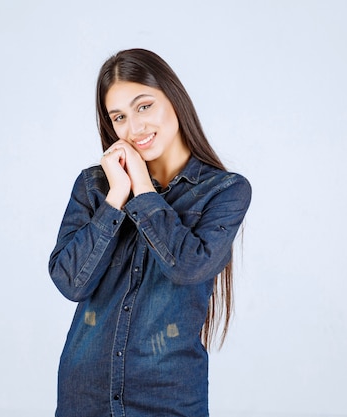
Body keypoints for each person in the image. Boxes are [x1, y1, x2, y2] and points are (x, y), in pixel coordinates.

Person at [49, 48, 251, 417]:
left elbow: (187, 268)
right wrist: (115, 198)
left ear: (174, 98)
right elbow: (70, 282)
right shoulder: (94, 186)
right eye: (119, 117)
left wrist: (142, 187)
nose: (134, 128)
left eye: (144, 106)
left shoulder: (224, 191)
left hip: (168, 396)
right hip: (84, 393)